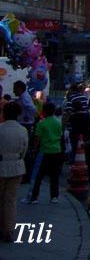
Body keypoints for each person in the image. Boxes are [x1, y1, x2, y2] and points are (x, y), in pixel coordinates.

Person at [0, 101, 28, 243]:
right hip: (17, 166)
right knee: (11, 200)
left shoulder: (1, 129)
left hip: (2, 165)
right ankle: (9, 230)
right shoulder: (22, 130)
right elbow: (24, 150)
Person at [27, 102, 63, 204]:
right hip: (56, 150)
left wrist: (34, 149)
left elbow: (37, 139)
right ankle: (54, 196)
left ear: (44, 111)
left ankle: (34, 197)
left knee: (38, 175)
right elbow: (60, 136)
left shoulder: (42, 123)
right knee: (54, 175)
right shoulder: (58, 122)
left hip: (44, 151)